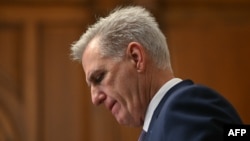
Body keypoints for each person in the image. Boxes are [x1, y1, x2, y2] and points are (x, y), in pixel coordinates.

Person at [70, 6, 243, 141]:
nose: (94, 98)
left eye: (99, 77)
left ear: (136, 58)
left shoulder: (182, 107)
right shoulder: (161, 121)